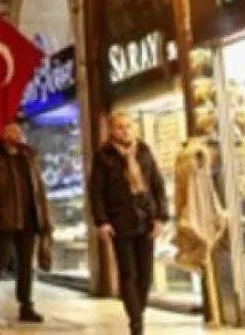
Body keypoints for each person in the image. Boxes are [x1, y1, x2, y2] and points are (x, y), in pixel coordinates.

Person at [88, 112, 169, 335]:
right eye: (120, 127)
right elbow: (96, 192)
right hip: (120, 221)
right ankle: (136, 323)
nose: (125, 130)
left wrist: (160, 216)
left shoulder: (143, 151)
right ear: (112, 131)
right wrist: (102, 221)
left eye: (128, 126)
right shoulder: (103, 156)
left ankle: (137, 310)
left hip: (146, 218)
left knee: (146, 275)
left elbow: (157, 184)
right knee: (128, 273)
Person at [0, 123, 50, 323]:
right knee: (0, 258)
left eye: (19, 132)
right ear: (3, 135)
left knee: (26, 264)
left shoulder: (28, 157)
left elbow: (39, 188)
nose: (17, 135)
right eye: (12, 132)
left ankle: (26, 305)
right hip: (4, 218)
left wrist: (44, 215)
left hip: (29, 218)